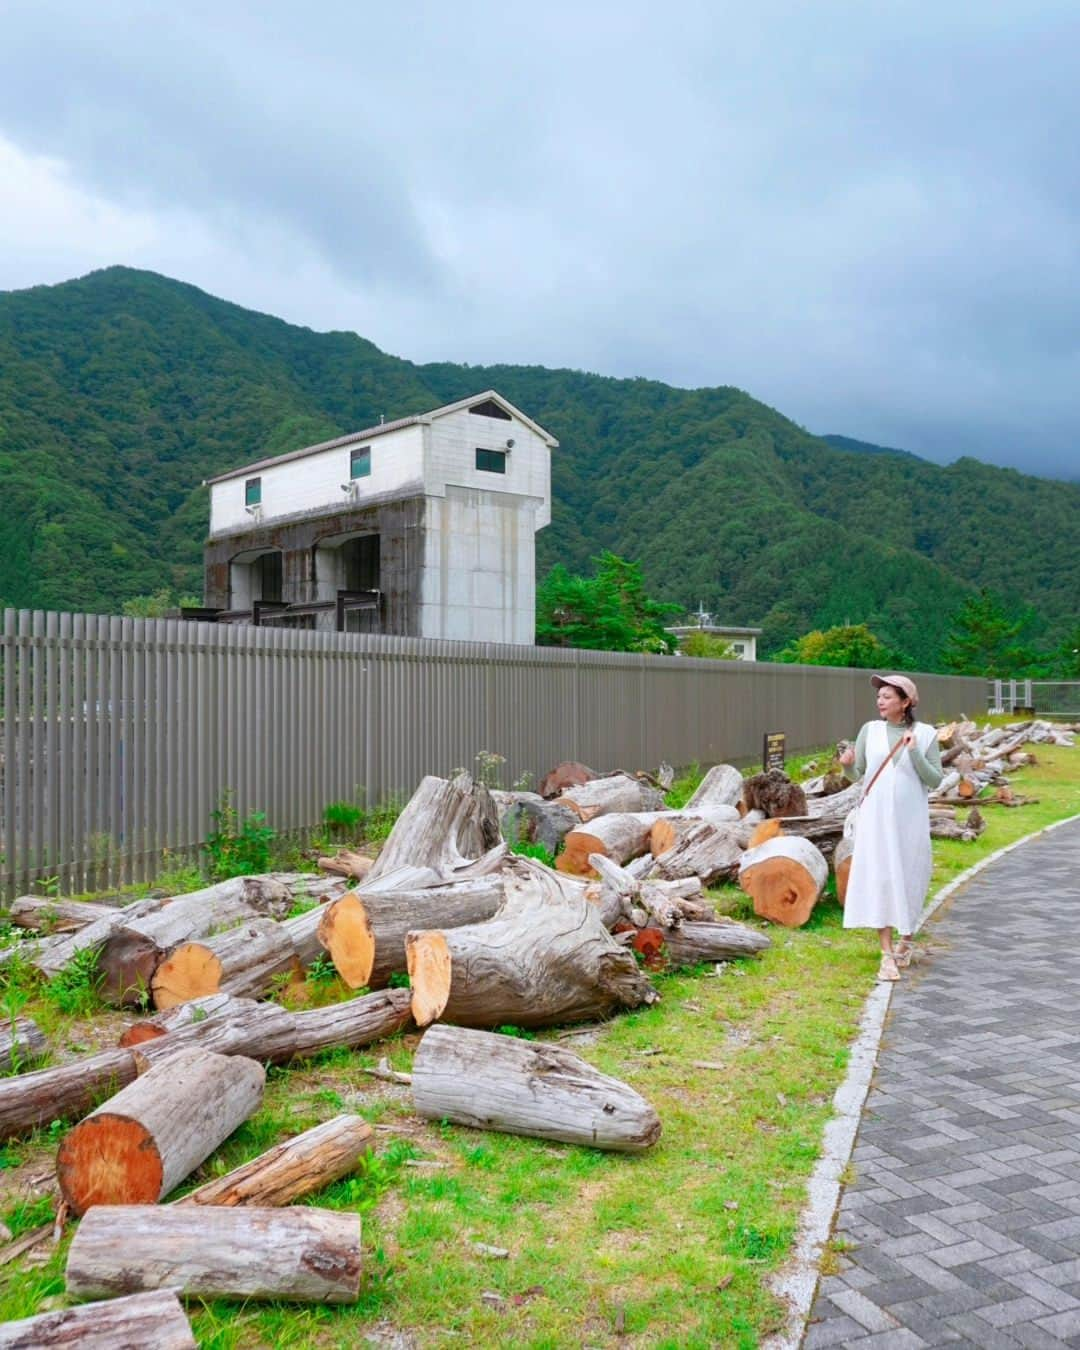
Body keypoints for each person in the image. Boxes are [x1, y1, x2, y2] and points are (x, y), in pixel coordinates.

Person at [838, 674, 944, 982]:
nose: (880, 701)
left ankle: (906, 940)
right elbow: (857, 774)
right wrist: (846, 764)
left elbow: (935, 780)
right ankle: (886, 954)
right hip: (876, 820)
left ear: (906, 702)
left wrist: (913, 752)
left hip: (909, 820)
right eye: (879, 696)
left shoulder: (926, 735)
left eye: (887, 696)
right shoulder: (869, 731)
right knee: (880, 878)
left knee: (911, 875)